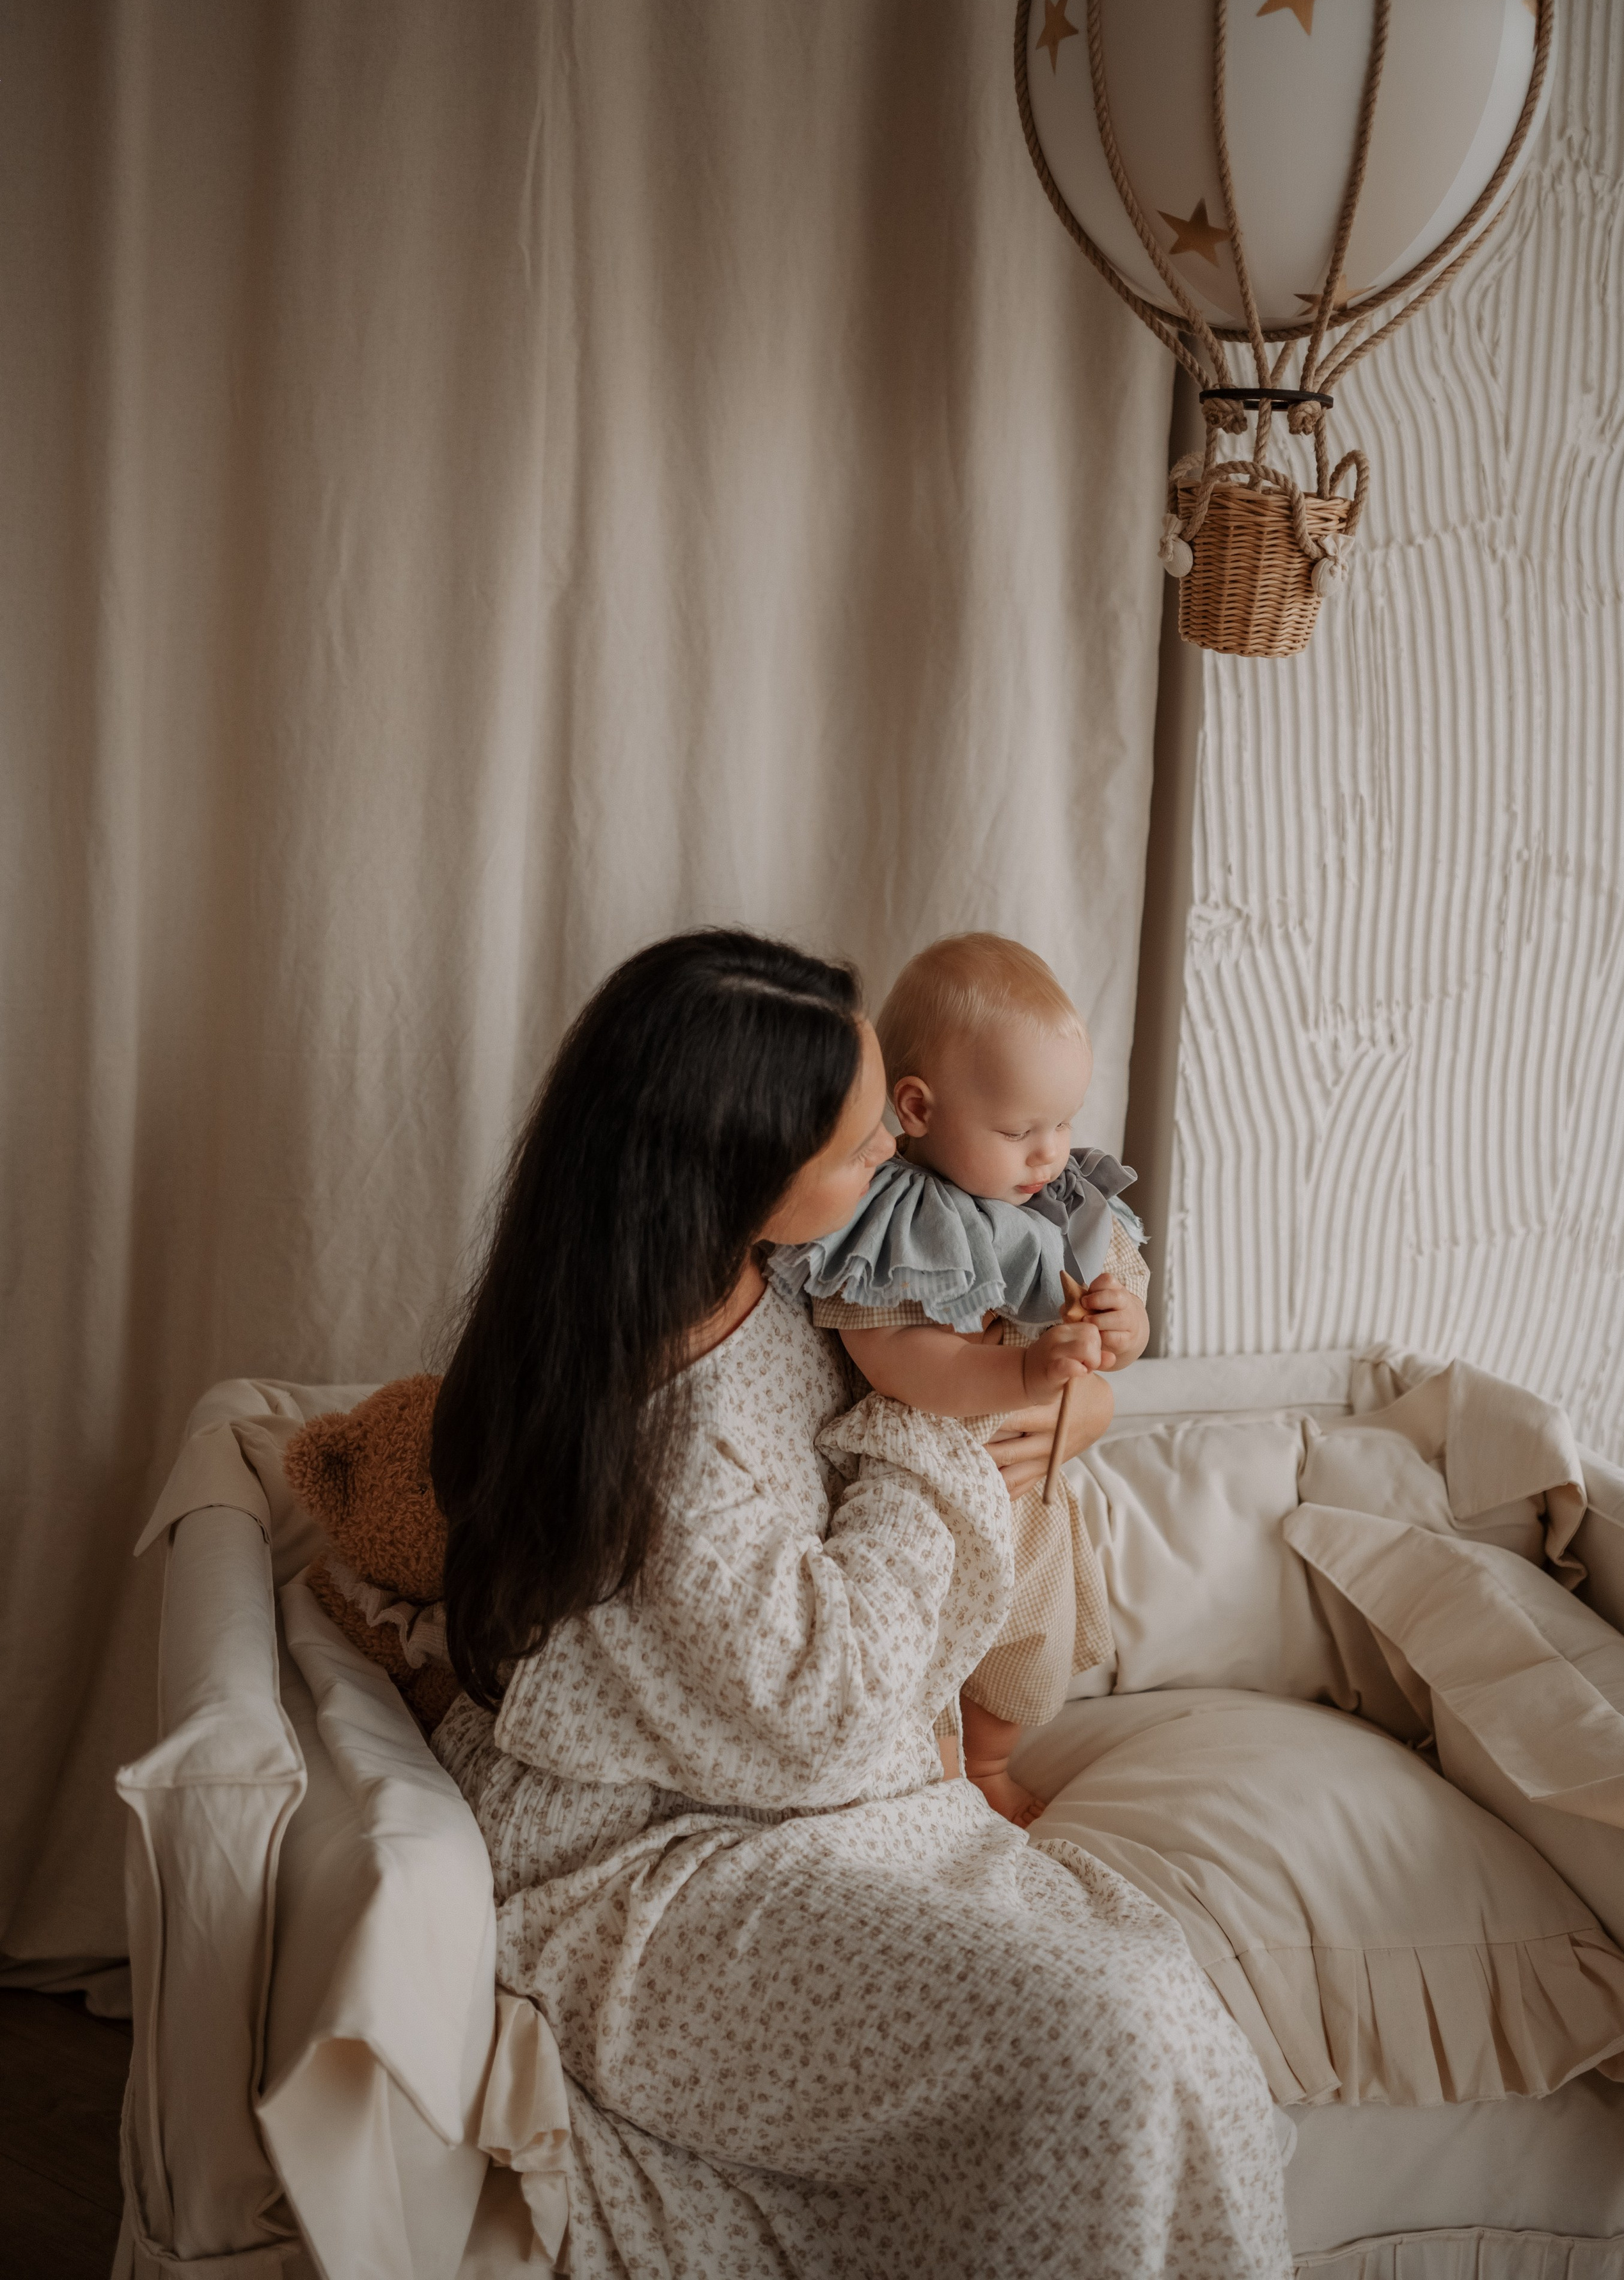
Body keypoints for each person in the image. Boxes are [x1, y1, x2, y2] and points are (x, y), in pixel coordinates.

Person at [430, 929, 1290, 2279]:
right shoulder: (669, 1444)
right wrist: (947, 1437)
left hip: (810, 1806)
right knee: (1108, 2032)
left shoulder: (788, 1274)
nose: (889, 1153)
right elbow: (825, 1710)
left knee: (1154, 2019)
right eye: (855, 1146)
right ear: (733, 1172)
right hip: (652, 1867)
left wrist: (1078, 1391)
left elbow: (981, 1364)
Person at [768, 932, 1150, 1825]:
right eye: (1021, 1131)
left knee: (1028, 1645)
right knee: (927, 1658)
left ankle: (991, 1764)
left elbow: (1115, 1311)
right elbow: (892, 1357)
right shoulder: (894, 1217)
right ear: (919, 1106)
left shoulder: (1060, 1199)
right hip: (926, 1495)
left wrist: (1123, 1330)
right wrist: (1021, 1369)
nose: (1051, 1153)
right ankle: (942, 1785)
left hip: (1031, 1495)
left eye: (1064, 1123)